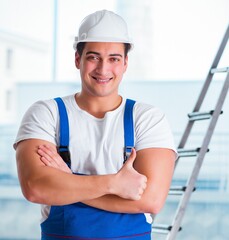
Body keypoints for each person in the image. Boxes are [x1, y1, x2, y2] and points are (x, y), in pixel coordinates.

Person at [14, 9, 177, 240]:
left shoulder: (148, 118)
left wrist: (69, 180)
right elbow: (35, 188)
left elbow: (150, 200)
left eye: (113, 58)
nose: (103, 69)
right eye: (93, 57)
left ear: (125, 63)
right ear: (78, 59)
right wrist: (115, 184)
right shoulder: (46, 114)